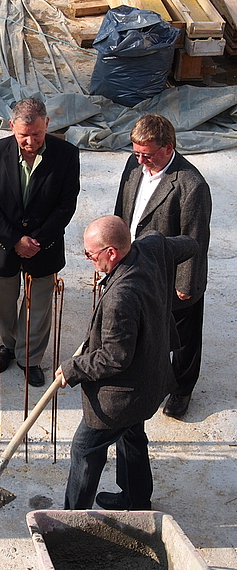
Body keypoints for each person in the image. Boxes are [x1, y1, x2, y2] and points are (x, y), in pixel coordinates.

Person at [60, 215, 197, 510]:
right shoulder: (153, 247)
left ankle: (72, 520)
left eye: (90, 254)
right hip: (152, 377)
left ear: (112, 252)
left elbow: (114, 358)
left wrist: (73, 368)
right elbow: (190, 245)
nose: (88, 260)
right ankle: (136, 500)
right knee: (132, 435)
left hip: (125, 394)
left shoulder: (121, 298)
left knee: (85, 448)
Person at [114, 114, 212, 419]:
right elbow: (123, 211)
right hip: (137, 268)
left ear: (168, 148)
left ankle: (182, 388)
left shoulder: (190, 185)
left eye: (148, 154)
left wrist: (187, 283)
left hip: (171, 276)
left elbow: (195, 238)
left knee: (182, 338)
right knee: (145, 330)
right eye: (137, 152)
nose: (141, 161)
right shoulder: (134, 166)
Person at [0, 97, 80, 387]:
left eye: (36, 134)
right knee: (4, 302)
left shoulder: (67, 155)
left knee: (38, 305)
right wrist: (14, 240)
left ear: (47, 124)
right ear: (11, 127)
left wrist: (35, 240)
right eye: (23, 135)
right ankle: (8, 347)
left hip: (43, 246)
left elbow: (66, 205)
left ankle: (29, 358)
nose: (30, 141)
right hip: (3, 247)